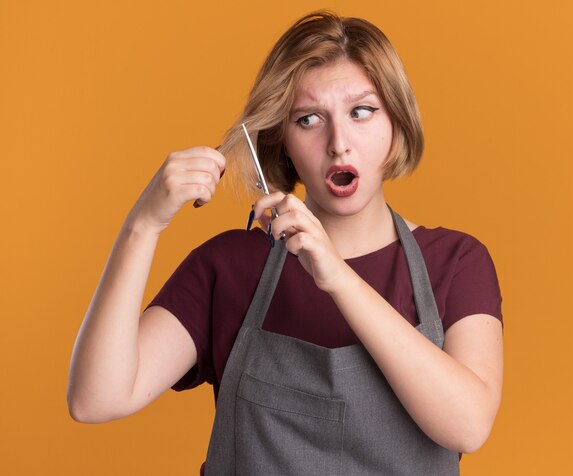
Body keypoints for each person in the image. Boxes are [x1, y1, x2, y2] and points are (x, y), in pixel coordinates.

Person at [67, 11, 503, 475]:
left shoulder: (456, 261)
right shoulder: (229, 266)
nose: (339, 143)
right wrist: (143, 226)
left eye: (361, 111)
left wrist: (338, 277)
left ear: (396, 122)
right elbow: (96, 398)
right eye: (309, 119)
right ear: (282, 142)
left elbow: (468, 425)